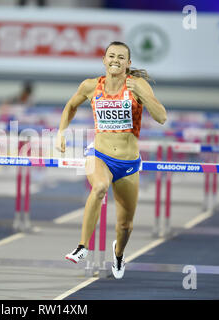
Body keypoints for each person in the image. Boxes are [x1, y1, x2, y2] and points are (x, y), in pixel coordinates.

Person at [55, 41, 167, 279]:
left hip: (128, 163)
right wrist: (61, 132)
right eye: (111, 56)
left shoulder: (137, 85)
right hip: (100, 154)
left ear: (128, 63)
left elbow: (162, 117)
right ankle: (83, 246)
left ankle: (118, 253)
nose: (115, 60)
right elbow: (70, 106)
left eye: (121, 57)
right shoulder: (90, 86)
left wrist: (143, 96)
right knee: (99, 187)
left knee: (125, 225)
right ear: (104, 60)